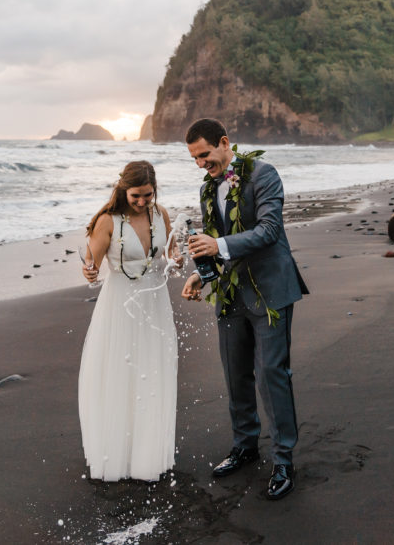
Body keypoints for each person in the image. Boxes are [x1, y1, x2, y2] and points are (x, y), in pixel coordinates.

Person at [181, 118, 308, 500]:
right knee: (235, 373)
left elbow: (269, 231)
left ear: (224, 143)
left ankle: (284, 458)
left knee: (272, 374)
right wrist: (201, 276)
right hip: (229, 292)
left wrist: (217, 247)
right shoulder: (207, 188)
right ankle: (245, 447)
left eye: (204, 154)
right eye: (194, 158)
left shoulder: (263, 175)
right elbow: (214, 242)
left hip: (270, 290)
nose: (201, 164)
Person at [78, 160, 178, 482]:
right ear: (124, 189)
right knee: (122, 373)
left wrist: (175, 257)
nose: (141, 201)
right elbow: (90, 264)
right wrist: (89, 270)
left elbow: (168, 253)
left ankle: (147, 452)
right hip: (121, 304)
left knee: (153, 371)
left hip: (156, 302)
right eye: (136, 195)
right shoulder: (107, 221)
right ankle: (117, 454)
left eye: (147, 195)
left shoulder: (160, 214)